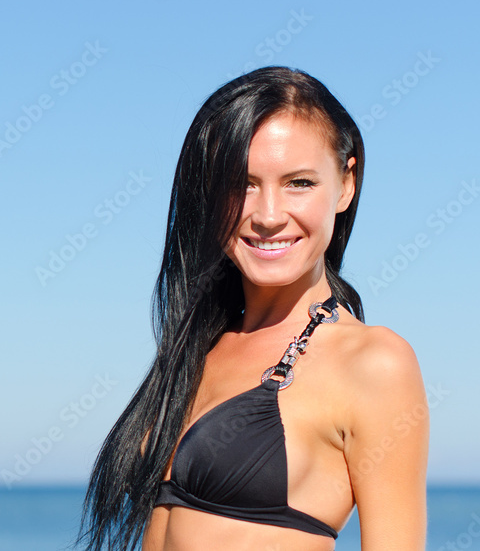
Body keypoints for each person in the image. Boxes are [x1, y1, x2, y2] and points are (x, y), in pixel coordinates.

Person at [73, 66, 429, 550]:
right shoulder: (200, 344)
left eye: (299, 183)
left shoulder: (373, 364)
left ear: (346, 184)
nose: (266, 215)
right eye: (241, 184)